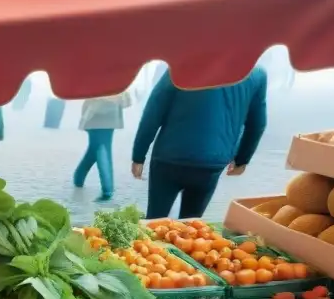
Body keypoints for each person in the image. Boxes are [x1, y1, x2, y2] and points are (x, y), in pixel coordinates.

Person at [131, 67, 267, 219]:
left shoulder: (183, 64)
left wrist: (138, 155)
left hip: (169, 158)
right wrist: (242, 159)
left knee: (154, 222)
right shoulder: (256, 74)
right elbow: (257, 123)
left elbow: (153, 111)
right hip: (212, 163)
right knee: (192, 228)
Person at [73, 92, 131, 201]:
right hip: (108, 118)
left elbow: (98, 100)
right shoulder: (119, 79)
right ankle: (79, 180)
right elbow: (126, 101)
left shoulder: (105, 79)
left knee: (99, 150)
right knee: (96, 150)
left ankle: (106, 190)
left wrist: (85, 118)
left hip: (95, 117)